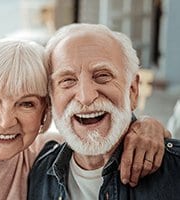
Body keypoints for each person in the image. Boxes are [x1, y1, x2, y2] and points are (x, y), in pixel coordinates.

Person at [0, 38, 169, 200]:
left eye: (26, 104)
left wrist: (147, 126)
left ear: (45, 115)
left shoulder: (38, 152)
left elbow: (103, 134)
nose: (6, 122)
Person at [27, 23, 180, 200]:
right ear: (51, 98)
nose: (86, 97)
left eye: (102, 76)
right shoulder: (38, 172)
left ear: (133, 91)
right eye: (68, 80)